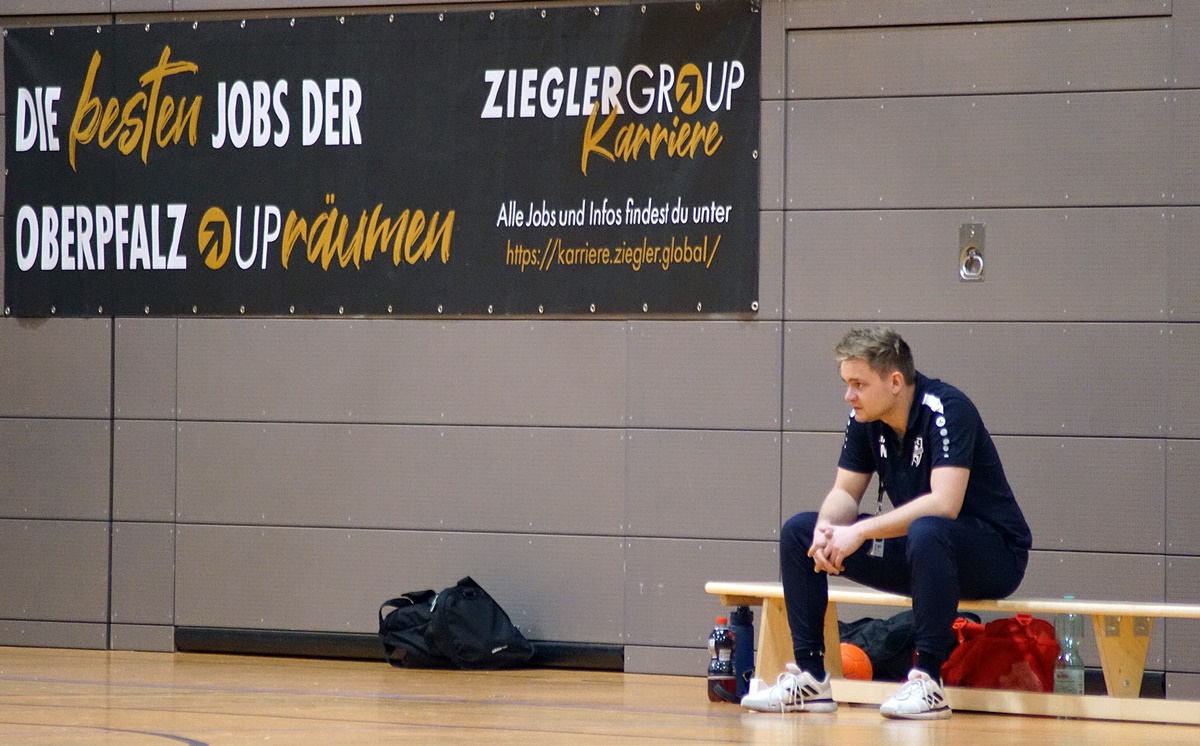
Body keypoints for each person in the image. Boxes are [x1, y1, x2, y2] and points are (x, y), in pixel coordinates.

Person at [741, 326, 1032, 719]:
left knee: (928, 529)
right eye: (846, 383)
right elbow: (846, 493)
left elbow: (945, 503)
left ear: (895, 381)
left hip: (992, 554)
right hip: (922, 552)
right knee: (799, 531)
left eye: (858, 384)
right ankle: (811, 679)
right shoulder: (863, 419)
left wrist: (858, 531)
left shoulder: (947, 408)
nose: (849, 395)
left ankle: (928, 681)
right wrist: (828, 531)